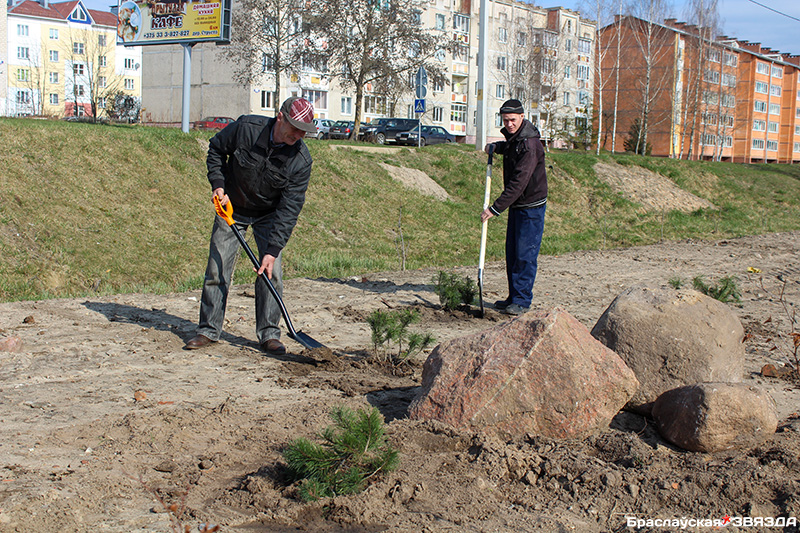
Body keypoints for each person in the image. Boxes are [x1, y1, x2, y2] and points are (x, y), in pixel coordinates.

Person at [184, 96, 317, 354]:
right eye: (295, 128)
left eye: (304, 131)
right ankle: (208, 330)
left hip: (269, 215)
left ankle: (269, 334)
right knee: (217, 268)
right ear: (280, 117)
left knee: (271, 272)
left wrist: (272, 250)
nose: (299, 135)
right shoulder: (246, 128)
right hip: (232, 206)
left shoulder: (300, 160)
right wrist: (218, 185)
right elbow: (216, 150)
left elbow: (290, 208)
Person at [481, 99, 548, 316]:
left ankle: (522, 301)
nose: (509, 124)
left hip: (531, 206)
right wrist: (496, 147)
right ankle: (513, 297)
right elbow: (510, 147)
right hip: (518, 205)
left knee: (524, 254)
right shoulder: (517, 138)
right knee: (512, 252)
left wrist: (494, 208)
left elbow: (519, 182)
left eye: (512, 120)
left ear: (522, 117)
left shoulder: (530, 145)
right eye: (505, 120)